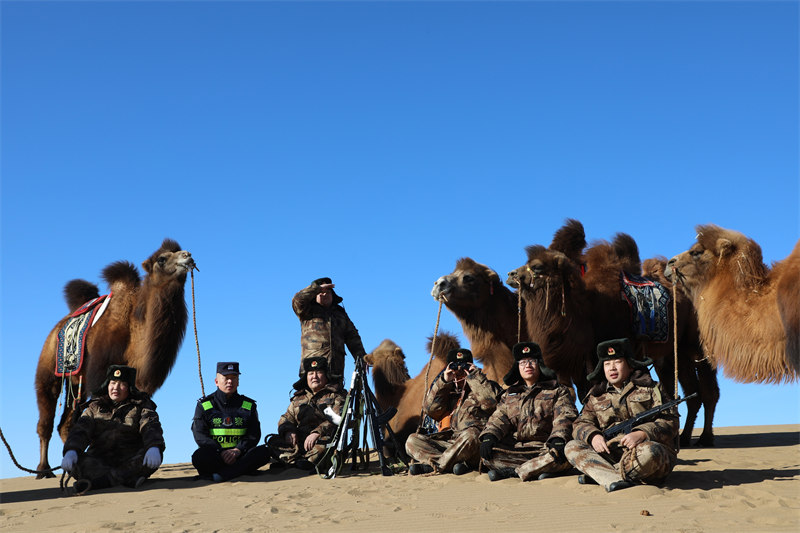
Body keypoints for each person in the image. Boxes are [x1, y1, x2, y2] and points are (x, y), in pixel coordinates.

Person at [564, 338, 680, 492]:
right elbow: (580, 424)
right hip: (611, 453)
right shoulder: (596, 396)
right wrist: (593, 436)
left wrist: (642, 433)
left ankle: (602, 474)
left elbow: (671, 421)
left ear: (630, 365)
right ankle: (617, 477)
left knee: (651, 453)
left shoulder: (652, 388)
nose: (612, 368)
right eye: (607, 364)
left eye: (617, 362)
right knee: (572, 447)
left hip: (642, 451)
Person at [479, 342, 578, 481]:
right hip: (516, 450)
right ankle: (535, 471)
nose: (528, 366)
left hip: (544, 449)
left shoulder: (558, 391)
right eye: (523, 362)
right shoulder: (509, 395)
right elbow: (498, 418)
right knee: (488, 457)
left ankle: (514, 472)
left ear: (539, 364)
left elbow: (565, 416)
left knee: (564, 456)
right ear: (517, 367)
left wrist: (558, 439)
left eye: (532, 361)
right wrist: (489, 436)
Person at [60, 365, 165, 494]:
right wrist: (71, 450)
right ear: (107, 385)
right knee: (77, 462)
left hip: (129, 459)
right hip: (98, 460)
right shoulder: (94, 407)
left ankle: (97, 483)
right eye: (113, 383)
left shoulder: (141, 405)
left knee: (146, 459)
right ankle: (124, 480)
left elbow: (150, 425)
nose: (115, 388)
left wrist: (154, 447)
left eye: (121, 384)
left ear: (129, 387)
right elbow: (80, 430)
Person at [405, 348, 503, 475]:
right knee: (412, 441)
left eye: (463, 368)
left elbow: (491, 404)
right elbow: (430, 410)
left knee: (471, 434)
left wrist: (474, 377)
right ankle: (454, 465)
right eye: (455, 368)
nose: (459, 372)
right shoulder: (448, 392)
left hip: (474, 445)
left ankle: (436, 466)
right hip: (452, 444)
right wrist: (444, 381)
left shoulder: (486, 386)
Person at [191, 362, 272, 482]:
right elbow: (200, 435)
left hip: (240, 455)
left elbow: (254, 434)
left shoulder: (248, 405)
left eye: (234, 378)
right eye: (226, 378)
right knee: (199, 456)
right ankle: (235, 472)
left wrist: (237, 450)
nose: (230, 382)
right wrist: (221, 451)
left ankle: (223, 475)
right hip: (216, 456)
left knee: (264, 452)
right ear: (216, 381)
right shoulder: (204, 405)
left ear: (238, 381)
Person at [266, 356, 347, 470]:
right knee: (272, 441)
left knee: (324, 448)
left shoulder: (335, 396)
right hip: (298, 443)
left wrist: (317, 433)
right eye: (310, 373)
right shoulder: (298, 398)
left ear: (326, 375)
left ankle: (296, 462)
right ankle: (296, 461)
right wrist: (288, 431)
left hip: (323, 440)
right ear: (306, 377)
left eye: (319, 372)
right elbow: (286, 418)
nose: (314, 377)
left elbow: (336, 419)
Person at [292, 277, 367, 385]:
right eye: (321, 292)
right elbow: (297, 300)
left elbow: (352, 337)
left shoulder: (340, 314)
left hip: (335, 373)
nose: (324, 294)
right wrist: (316, 288)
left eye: (328, 292)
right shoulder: (306, 311)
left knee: (338, 401)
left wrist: (361, 359)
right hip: (312, 372)